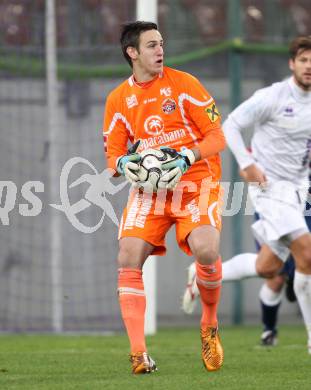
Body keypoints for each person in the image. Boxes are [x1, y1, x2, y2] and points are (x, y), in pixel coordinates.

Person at [102, 21, 226, 374]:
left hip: (195, 182)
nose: (160, 50)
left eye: (161, 44)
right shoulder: (117, 100)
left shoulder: (184, 84)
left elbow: (217, 137)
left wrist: (187, 156)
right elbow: (112, 155)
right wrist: (124, 161)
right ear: (132, 53)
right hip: (149, 191)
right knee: (127, 256)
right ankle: (139, 354)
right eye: (152, 45)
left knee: (207, 250)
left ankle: (209, 323)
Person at [183, 35, 311, 354]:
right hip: (269, 188)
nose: (309, 67)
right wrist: (247, 164)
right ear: (292, 64)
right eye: (304, 60)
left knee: (269, 268)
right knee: (307, 254)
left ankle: (203, 273)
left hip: (298, 190)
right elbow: (231, 125)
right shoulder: (273, 96)